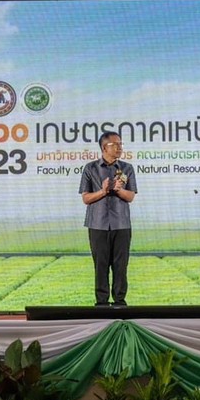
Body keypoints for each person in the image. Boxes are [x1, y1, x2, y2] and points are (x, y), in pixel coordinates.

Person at [80, 131, 137, 307]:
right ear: (105, 147)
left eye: (121, 144)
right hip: (98, 224)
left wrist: (119, 190)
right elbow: (86, 198)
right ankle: (102, 303)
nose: (120, 147)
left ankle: (120, 302)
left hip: (121, 224)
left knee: (121, 266)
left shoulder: (127, 168)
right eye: (116, 144)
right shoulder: (90, 168)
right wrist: (103, 191)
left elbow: (131, 196)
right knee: (100, 265)